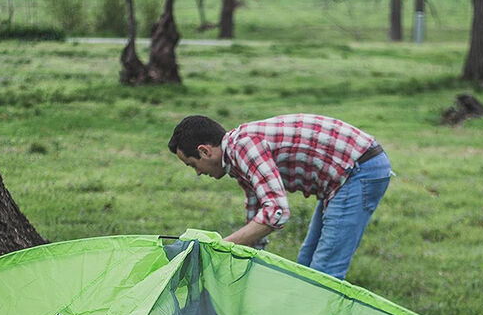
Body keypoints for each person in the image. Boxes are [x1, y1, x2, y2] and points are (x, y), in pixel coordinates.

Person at [168, 113, 392, 280]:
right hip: (342, 177)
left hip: (359, 169)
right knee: (305, 265)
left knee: (324, 274)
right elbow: (257, 219)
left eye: (192, 164)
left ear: (205, 151)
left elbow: (276, 212)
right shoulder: (236, 158)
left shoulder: (244, 146)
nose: (198, 172)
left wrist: (217, 247)